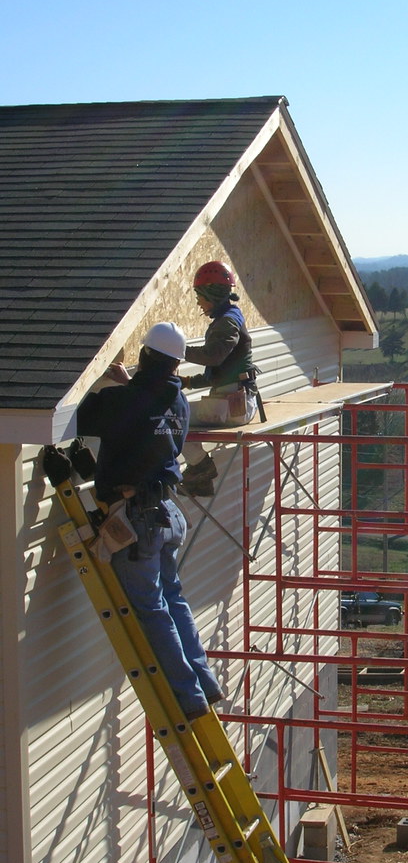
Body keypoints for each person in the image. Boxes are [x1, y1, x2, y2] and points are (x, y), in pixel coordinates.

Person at [76, 321, 223, 721]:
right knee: (172, 599)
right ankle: (204, 682)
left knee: (152, 609)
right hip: (166, 514)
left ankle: (189, 698)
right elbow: (148, 409)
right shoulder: (179, 404)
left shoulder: (126, 401)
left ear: (143, 357)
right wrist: (128, 388)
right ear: (176, 365)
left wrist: (116, 387)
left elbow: (84, 416)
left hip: (138, 519)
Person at [179, 259, 257, 496]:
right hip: (233, 403)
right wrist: (189, 382)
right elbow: (220, 372)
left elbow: (214, 356)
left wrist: (175, 347)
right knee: (176, 415)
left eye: (199, 295)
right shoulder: (229, 317)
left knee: (169, 417)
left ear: (211, 293)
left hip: (232, 407)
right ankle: (200, 481)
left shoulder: (227, 322)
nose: (198, 302)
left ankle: (201, 467)